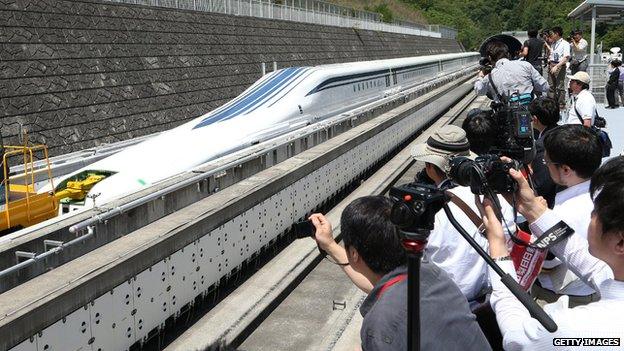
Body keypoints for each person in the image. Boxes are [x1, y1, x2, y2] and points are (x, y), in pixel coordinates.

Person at [479, 156, 624, 350]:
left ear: (620, 241)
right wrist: (533, 210)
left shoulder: (575, 330)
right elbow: (591, 264)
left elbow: (517, 336)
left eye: (596, 211)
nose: (591, 215)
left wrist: (498, 249)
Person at [308, 196, 491, 351]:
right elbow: (378, 284)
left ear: (354, 253)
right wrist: (330, 245)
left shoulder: (381, 325)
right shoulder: (430, 272)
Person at [411, 125, 516, 305]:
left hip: (449, 305)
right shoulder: (495, 196)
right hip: (494, 300)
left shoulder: (430, 211)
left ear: (430, 166)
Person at [532, 125, 603, 306]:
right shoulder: (607, 192)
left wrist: (538, 218)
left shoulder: (565, 213)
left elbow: (545, 265)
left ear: (565, 170)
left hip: (562, 300)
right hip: (593, 292)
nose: (544, 166)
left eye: (546, 163)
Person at [474, 41, 549, 102]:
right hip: (530, 112)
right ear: (508, 54)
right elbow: (545, 86)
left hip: (505, 116)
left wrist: (480, 76)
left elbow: (479, 91)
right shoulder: (525, 65)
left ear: (490, 58)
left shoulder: (490, 76)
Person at [528, 97, 559, 208]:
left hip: (552, 204)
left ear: (535, 119)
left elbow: (541, 185)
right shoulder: (562, 132)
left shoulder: (542, 144)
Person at [547, 27, 571, 106]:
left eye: (552, 34)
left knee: (560, 86)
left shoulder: (565, 43)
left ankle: (561, 104)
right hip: (551, 64)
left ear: (557, 34)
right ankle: (551, 103)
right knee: (551, 85)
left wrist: (557, 66)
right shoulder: (554, 43)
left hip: (559, 65)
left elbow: (566, 57)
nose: (551, 35)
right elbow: (552, 54)